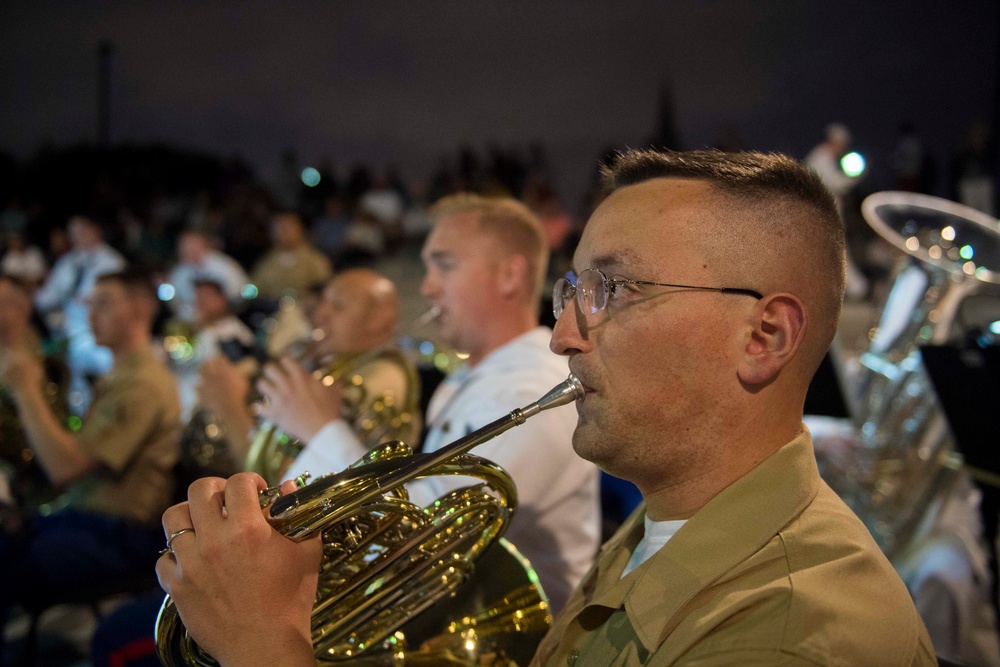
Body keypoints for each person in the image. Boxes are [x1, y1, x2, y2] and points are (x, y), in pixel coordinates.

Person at [156, 150, 934, 666]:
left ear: (763, 335)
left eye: (612, 291)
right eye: (571, 292)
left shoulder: (793, 632)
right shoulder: (666, 523)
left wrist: (265, 640)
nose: (562, 335)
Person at [251, 194, 600, 614]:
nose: (426, 285)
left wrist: (320, 428)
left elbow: (428, 538)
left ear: (509, 275)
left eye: (444, 265)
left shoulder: (529, 389)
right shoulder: (476, 376)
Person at [0, 267, 180, 655]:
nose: (91, 315)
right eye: (91, 304)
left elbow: (64, 469)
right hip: (89, 520)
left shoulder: (144, 383)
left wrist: (26, 390)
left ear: (140, 310)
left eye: (104, 303)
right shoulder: (122, 376)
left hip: (117, 535)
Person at [196, 268, 419, 477]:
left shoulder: (381, 377)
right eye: (324, 301)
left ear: (379, 320)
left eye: (338, 305)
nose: (320, 313)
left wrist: (230, 408)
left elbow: (295, 486)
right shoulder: (326, 358)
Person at [33, 214, 125, 413]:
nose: (77, 237)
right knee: (74, 389)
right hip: (70, 337)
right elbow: (47, 297)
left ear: (95, 230)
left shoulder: (112, 262)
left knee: (105, 384)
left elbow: (117, 301)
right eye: (73, 232)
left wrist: (90, 301)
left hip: (100, 336)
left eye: (82, 231)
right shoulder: (67, 263)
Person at [166, 229, 249, 324]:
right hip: (192, 322)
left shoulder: (224, 265)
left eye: (192, 245)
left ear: (204, 245)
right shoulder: (180, 271)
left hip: (224, 318)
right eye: (184, 246)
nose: (188, 249)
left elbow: (239, 294)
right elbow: (175, 301)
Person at [248, 212, 332, 300]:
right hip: (272, 308)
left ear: (300, 230)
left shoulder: (315, 260)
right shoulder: (266, 261)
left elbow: (324, 286)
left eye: (287, 228)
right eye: (277, 228)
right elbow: (255, 287)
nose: (283, 232)